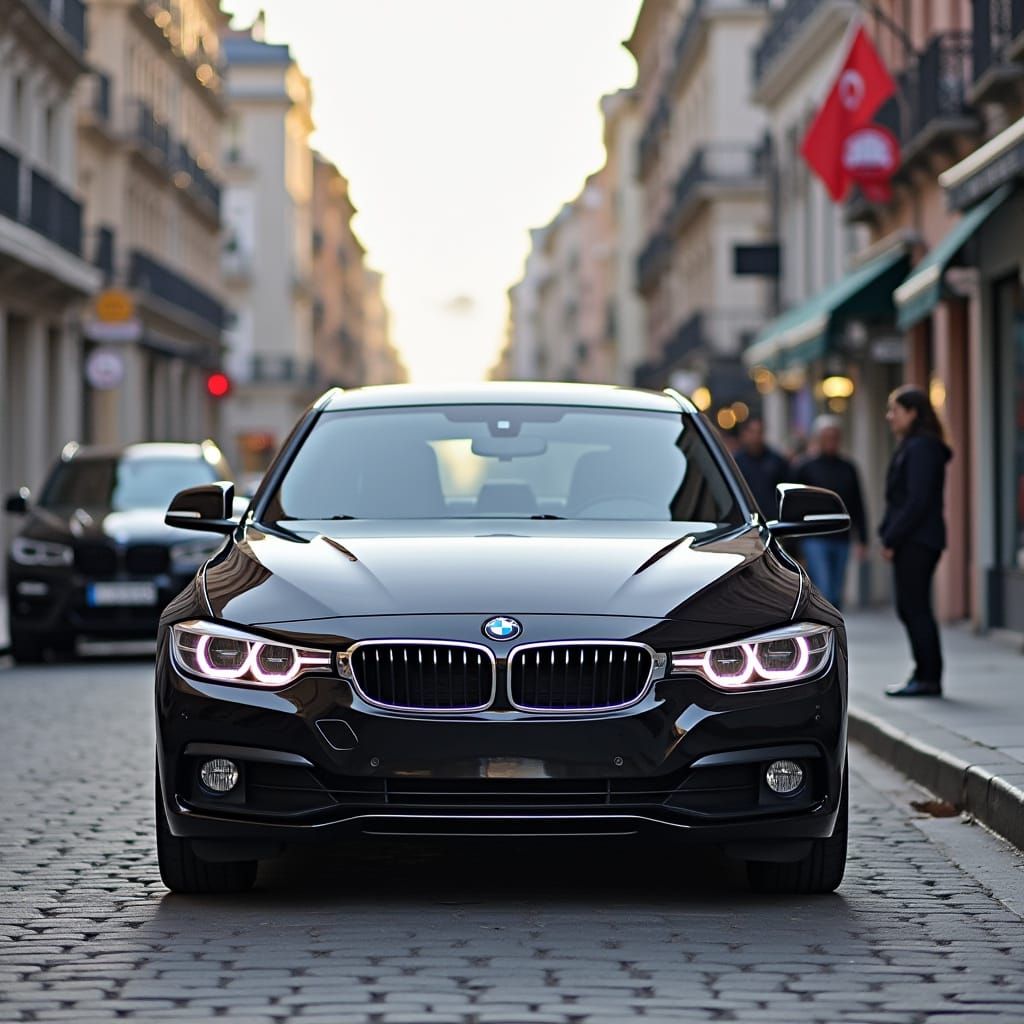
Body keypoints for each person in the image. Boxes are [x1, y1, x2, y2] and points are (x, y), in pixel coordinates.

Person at [879, 386, 952, 698]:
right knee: (912, 607)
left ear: (912, 413)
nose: (889, 417)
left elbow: (917, 501)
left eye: (894, 410)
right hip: (915, 538)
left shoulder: (921, 448)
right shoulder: (914, 445)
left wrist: (892, 536)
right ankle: (924, 673)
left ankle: (928, 677)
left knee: (915, 608)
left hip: (918, 540)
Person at [794, 415, 867, 610]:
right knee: (824, 588)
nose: (831, 441)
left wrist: (863, 539)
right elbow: (795, 506)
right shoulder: (805, 467)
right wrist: (795, 543)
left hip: (842, 537)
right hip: (815, 537)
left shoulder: (849, 468)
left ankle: (834, 628)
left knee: (836, 591)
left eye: (835, 437)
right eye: (827, 436)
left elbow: (858, 503)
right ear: (818, 438)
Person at [733, 418, 790, 520]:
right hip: (745, 519)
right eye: (752, 432)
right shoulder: (735, 462)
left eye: (759, 432)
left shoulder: (777, 461)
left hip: (772, 520)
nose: (756, 437)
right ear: (744, 434)